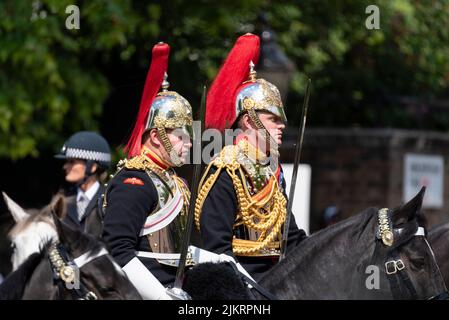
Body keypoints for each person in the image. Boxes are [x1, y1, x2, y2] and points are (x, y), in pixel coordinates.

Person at [194, 33, 307, 282]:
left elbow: (292, 236)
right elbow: (217, 250)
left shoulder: (271, 170)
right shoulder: (227, 169)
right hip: (238, 285)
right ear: (249, 120)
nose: (281, 126)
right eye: (273, 119)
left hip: (277, 280)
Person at [101, 42, 193, 300]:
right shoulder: (135, 181)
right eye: (181, 137)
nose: (189, 144)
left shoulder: (173, 180)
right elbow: (118, 249)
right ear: (156, 136)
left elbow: (178, 253)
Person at [55, 131, 111, 238]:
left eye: (71, 162)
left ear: (92, 166)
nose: (65, 166)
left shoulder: (108, 200)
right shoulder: (61, 198)